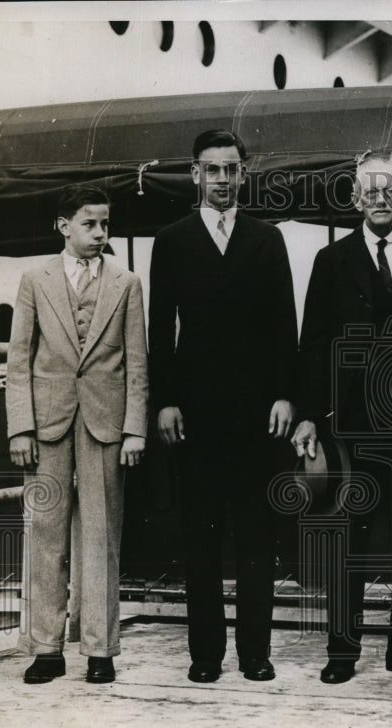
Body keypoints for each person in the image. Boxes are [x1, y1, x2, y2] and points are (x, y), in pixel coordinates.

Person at [291, 153, 392, 684]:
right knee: (351, 535)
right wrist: (311, 414)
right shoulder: (331, 261)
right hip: (354, 423)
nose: (380, 199)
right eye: (370, 191)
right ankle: (342, 651)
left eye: (389, 190)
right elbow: (313, 341)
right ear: (356, 199)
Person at [148, 129, 297, 684]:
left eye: (232, 169)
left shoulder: (267, 238)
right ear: (195, 174)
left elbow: (286, 323)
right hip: (196, 416)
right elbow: (160, 331)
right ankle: (205, 655)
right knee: (201, 537)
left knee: (258, 536)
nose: (223, 180)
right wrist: (164, 403)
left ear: (243, 173)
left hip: (258, 415)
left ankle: (255, 652)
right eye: (213, 170)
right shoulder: (173, 239)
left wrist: (285, 393)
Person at [6, 184, 148, 685]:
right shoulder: (33, 280)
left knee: (102, 538)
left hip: (106, 426)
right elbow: (18, 359)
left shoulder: (127, 283)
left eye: (105, 224)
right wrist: (19, 427)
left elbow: (137, 362)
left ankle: (100, 649)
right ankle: (46, 649)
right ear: (63, 226)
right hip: (46, 426)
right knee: (45, 535)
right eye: (89, 224)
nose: (100, 233)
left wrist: (135, 429)